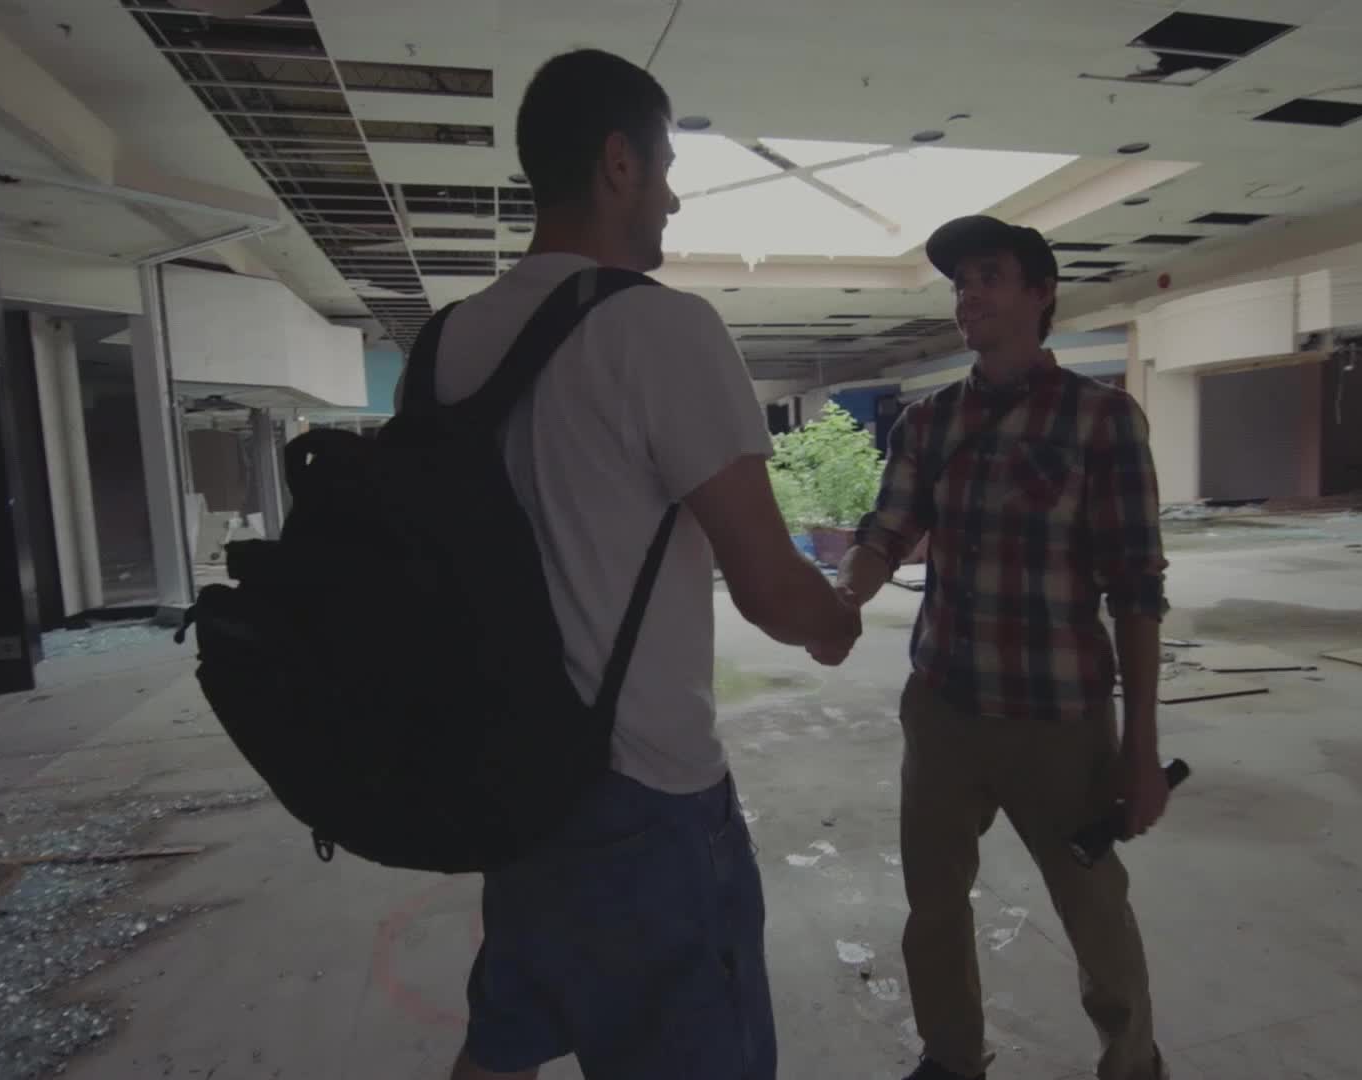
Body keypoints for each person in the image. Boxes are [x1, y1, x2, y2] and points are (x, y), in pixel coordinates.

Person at [418, 49, 861, 1080]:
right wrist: (835, 617)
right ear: (618, 163)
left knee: (508, 1034)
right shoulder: (659, 329)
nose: (671, 195)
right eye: (662, 167)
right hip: (641, 795)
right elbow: (765, 584)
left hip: (507, 780)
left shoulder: (447, 343)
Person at [837, 216, 1171, 1080]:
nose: (968, 296)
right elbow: (888, 528)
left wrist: (1140, 750)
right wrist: (845, 594)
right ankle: (952, 1060)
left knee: (1095, 911)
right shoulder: (929, 422)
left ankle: (1132, 1065)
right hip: (944, 708)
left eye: (988, 276)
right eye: (959, 283)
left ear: (1040, 291)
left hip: (1058, 722)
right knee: (934, 908)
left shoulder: (1102, 421)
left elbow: (1136, 589)